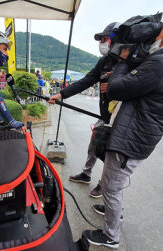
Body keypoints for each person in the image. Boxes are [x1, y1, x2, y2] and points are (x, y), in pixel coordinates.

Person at [82, 4, 163, 249]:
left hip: (132, 137)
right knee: (114, 184)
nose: (157, 33)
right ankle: (113, 211)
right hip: (139, 133)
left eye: (162, 28)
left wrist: (124, 60)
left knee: (111, 184)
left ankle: (110, 235)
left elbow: (117, 88)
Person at [48, 22, 120, 198]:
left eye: (105, 39)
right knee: (94, 144)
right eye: (100, 39)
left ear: (117, 39)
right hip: (105, 116)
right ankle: (86, 174)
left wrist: (114, 84)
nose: (102, 43)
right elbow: (86, 81)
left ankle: (104, 185)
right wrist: (62, 94)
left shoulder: (129, 62)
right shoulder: (104, 62)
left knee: (110, 157)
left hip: (121, 117)